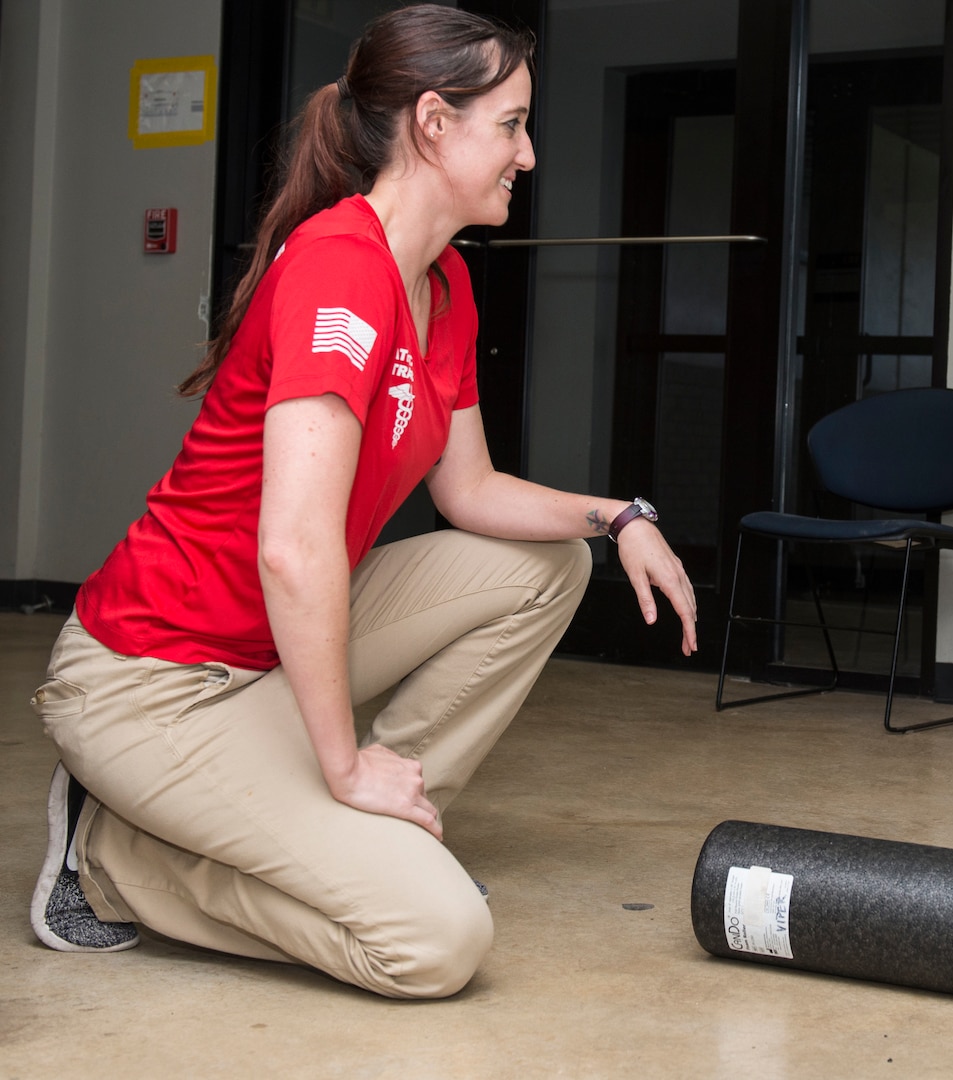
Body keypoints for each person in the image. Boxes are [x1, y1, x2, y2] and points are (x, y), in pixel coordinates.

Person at [28, 6, 695, 999]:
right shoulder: (342, 268)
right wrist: (340, 764)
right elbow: (295, 547)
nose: (530, 153)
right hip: (150, 680)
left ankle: (386, 824)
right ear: (433, 123)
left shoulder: (446, 285)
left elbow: (468, 492)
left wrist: (620, 518)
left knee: (548, 563)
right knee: (435, 943)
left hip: (266, 656)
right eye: (510, 124)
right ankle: (114, 861)